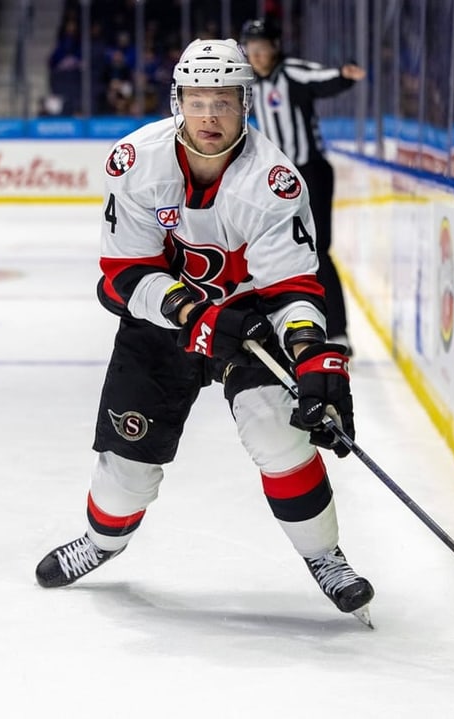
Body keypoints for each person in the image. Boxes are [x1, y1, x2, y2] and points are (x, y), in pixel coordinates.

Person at [35, 38, 374, 625]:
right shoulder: (136, 162)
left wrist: (311, 353)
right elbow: (121, 276)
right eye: (197, 99)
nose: (210, 115)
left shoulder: (273, 180)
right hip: (161, 326)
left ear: (247, 104)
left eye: (224, 100)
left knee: (278, 434)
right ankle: (102, 542)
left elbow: (293, 287)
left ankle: (325, 556)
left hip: (248, 323)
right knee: (126, 469)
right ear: (177, 102)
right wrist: (193, 314)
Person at [240, 18, 366, 352]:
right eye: (251, 49)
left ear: (275, 47)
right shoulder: (250, 82)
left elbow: (320, 78)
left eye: (262, 48)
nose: (256, 55)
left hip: (312, 173)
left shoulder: (291, 72)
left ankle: (338, 332)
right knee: (274, 248)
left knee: (318, 250)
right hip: (278, 178)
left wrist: (343, 74)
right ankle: (278, 323)